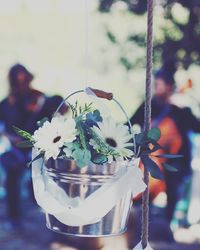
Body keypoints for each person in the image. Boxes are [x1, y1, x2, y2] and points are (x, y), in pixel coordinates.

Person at [0, 63, 68, 228]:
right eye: (18, 82)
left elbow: (61, 107)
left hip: (37, 148)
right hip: (15, 149)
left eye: (25, 80)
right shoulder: (6, 103)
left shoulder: (39, 98)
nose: (22, 85)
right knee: (12, 179)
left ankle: (39, 209)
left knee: (39, 178)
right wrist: (11, 137)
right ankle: (15, 216)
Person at [129, 66, 200, 223]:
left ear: (169, 86)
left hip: (176, 158)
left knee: (173, 190)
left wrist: (186, 107)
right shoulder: (149, 104)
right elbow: (131, 121)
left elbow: (197, 127)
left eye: (159, 85)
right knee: (142, 187)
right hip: (152, 157)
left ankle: (169, 225)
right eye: (155, 85)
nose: (155, 88)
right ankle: (139, 223)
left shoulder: (179, 108)